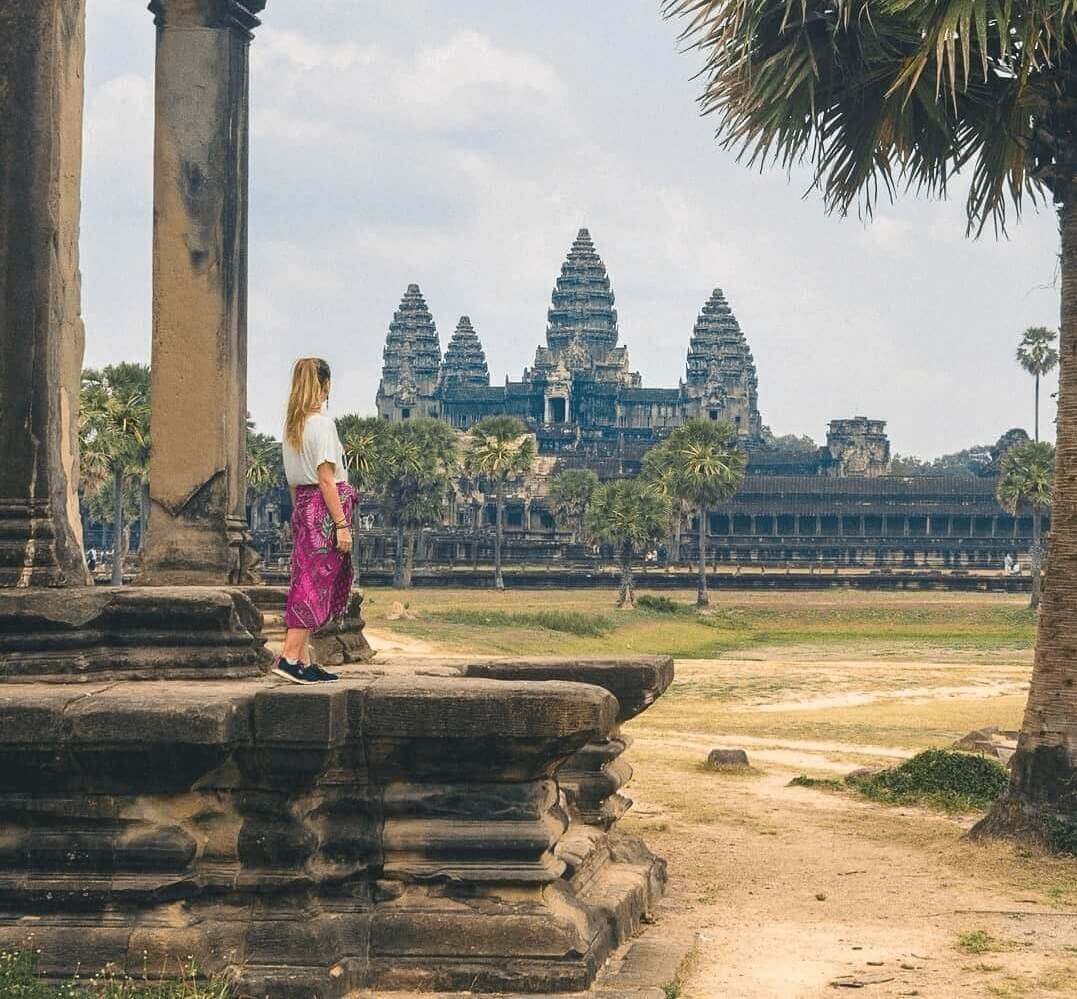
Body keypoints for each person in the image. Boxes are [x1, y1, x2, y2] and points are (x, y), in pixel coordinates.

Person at [275, 357, 359, 684]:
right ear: (324, 385)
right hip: (325, 508)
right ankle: (289, 656)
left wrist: (302, 519)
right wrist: (340, 524)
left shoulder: (292, 425)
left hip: (304, 507)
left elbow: (296, 484)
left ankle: (304, 662)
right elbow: (326, 478)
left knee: (305, 578)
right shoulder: (323, 425)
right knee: (314, 585)